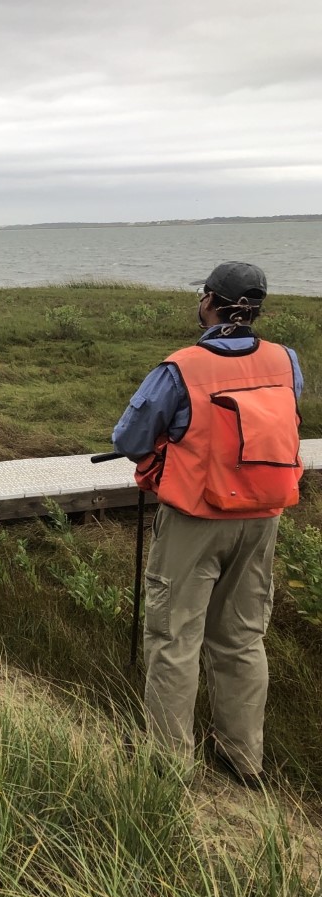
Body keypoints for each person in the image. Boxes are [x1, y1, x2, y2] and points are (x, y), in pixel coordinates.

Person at [111, 261, 303, 787]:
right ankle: (242, 759)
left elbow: (128, 439)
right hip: (264, 517)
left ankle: (170, 764)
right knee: (242, 638)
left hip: (196, 517)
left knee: (175, 637)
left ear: (211, 301)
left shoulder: (181, 368)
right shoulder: (286, 361)